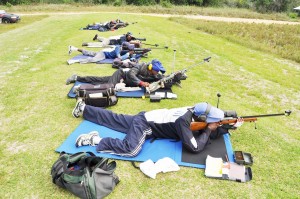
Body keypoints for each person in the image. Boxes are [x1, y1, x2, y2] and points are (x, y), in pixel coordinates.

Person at [72, 102, 225, 157]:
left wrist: (228, 126)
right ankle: (94, 139)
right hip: (146, 125)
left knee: (115, 119)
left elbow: (206, 126)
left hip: (147, 116)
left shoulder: (193, 110)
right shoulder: (182, 121)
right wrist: (208, 131)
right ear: (203, 118)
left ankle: (84, 108)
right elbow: (195, 147)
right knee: (131, 150)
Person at [66, 59, 166, 88]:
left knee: (99, 80)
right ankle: (80, 89)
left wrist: (174, 77)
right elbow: (131, 74)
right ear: (150, 67)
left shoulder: (154, 73)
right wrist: (141, 83)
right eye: (156, 70)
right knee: (108, 87)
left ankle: (77, 77)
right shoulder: (140, 66)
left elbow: (161, 77)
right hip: (121, 75)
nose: (157, 73)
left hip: (125, 82)